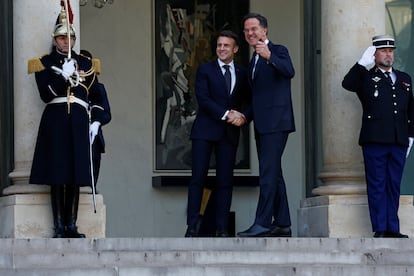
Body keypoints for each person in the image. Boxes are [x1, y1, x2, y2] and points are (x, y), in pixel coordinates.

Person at [28, 3, 107, 238]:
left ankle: (72, 225)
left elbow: (96, 96)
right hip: (56, 122)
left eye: (69, 37)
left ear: (74, 39)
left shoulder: (86, 63)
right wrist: (63, 77)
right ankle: (59, 226)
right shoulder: (45, 63)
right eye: (61, 38)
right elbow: (45, 94)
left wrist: (97, 121)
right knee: (58, 174)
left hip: (79, 123)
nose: (66, 41)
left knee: (74, 175)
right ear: (55, 40)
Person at [342, 35, 414, 238]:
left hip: (398, 141)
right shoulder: (365, 77)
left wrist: (411, 136)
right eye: (383, 50)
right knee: (377, 184)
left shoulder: (404, 78)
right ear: (374, 54)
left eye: (391, 50)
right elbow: (347, 83)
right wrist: (361, 64)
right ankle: (380, 227)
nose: (388, 54)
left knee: (393, 185)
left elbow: (411, 109)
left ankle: (393, 227)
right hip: (375, 140)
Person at [185, 30, 251, 237]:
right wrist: (226, 114)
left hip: (229, 134)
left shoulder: (242, 73)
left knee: (225, 181)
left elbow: (250, 100)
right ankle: (192, 226)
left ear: (235, 49)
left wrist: (244, 117)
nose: (221, 49)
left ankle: (221, 228)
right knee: (198, 179)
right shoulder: (205, 70)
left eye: (226, 45)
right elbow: (203, 99)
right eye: (219, 45)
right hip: (205, 131)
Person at [237, 13, 295, 237]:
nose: (250, 33)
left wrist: (270, 55)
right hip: (261, 125)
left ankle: (262, 222)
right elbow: (257, 98)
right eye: (247, 30)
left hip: (277, 123)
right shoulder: (253, 60)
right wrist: (244, 116)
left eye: (254, 29)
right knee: (274, 173)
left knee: (267, 173)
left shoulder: (278, 50)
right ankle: (283, 223)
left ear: (265, 31)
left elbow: (289, 71)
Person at [80, 50, 112, 186]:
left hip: (94, 136)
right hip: (77, 132)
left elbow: (106, 113)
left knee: (92, 178)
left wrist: (96, 122)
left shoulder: (98, 88)